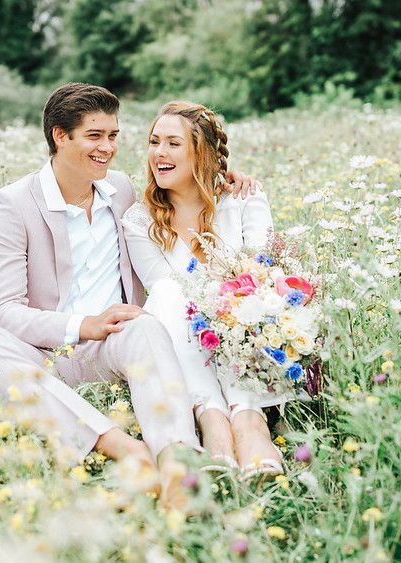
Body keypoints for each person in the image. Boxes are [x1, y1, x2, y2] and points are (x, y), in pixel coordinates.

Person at [0, 83, 258, 506]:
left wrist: (228, 178)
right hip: (46, 352)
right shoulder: (14, 204)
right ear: (61, 136)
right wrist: (83, 325)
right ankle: (120, 446)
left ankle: (177, 457)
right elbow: (3, 310)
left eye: (113, 136)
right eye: (95, 136)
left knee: (145, 323)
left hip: (118, 345)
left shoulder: (121, 191)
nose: (108, 148)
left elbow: (187, 185)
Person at [122, 101, 288, 480]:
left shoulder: (243, 199)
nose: (159, 153)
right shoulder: (139, 220)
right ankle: (211, 417)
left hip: (247, 335)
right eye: (154, 142)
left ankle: (249, 420)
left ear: (202, 151)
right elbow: (166, 292)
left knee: (246, 292)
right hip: (184, 332)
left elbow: (263, 276)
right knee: (167, 296)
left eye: (173, 144)